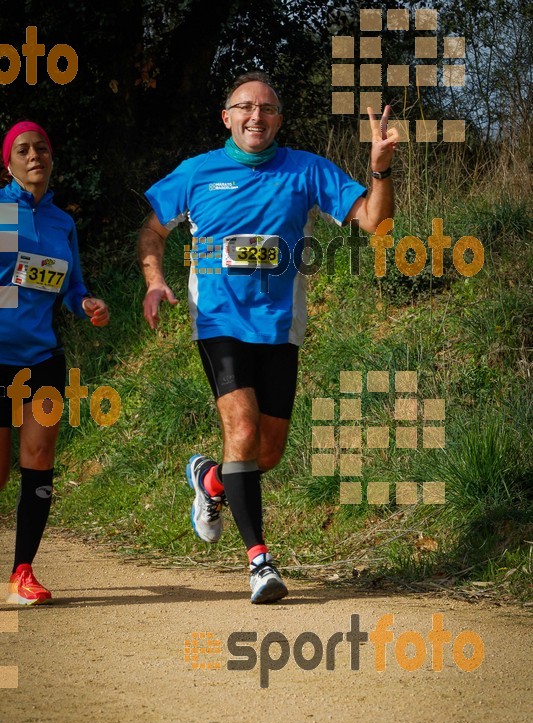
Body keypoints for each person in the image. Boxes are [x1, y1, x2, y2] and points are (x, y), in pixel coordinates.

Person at [138, 71, 398, 604]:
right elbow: (153, 229)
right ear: (227, 117)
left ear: (279, 119)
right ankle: (260, 562)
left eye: (268, 109)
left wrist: (381, 169)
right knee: (242, 428)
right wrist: (155, 278)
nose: (257, 116)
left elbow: (375, 222)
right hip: (217, 320)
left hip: (280, 327)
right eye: (245, 107)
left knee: (268, 451)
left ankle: (209, 481)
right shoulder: (196, 172)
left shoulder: (306, 170)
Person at [0, 120, 109, 605]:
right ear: (8, 163)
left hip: (42, 358)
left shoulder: (63, 224)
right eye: (22, 150)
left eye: (41, 147)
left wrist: (85, 304)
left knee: (39, 459)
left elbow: (71, 288)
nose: (33, 155)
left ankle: (23, 571)